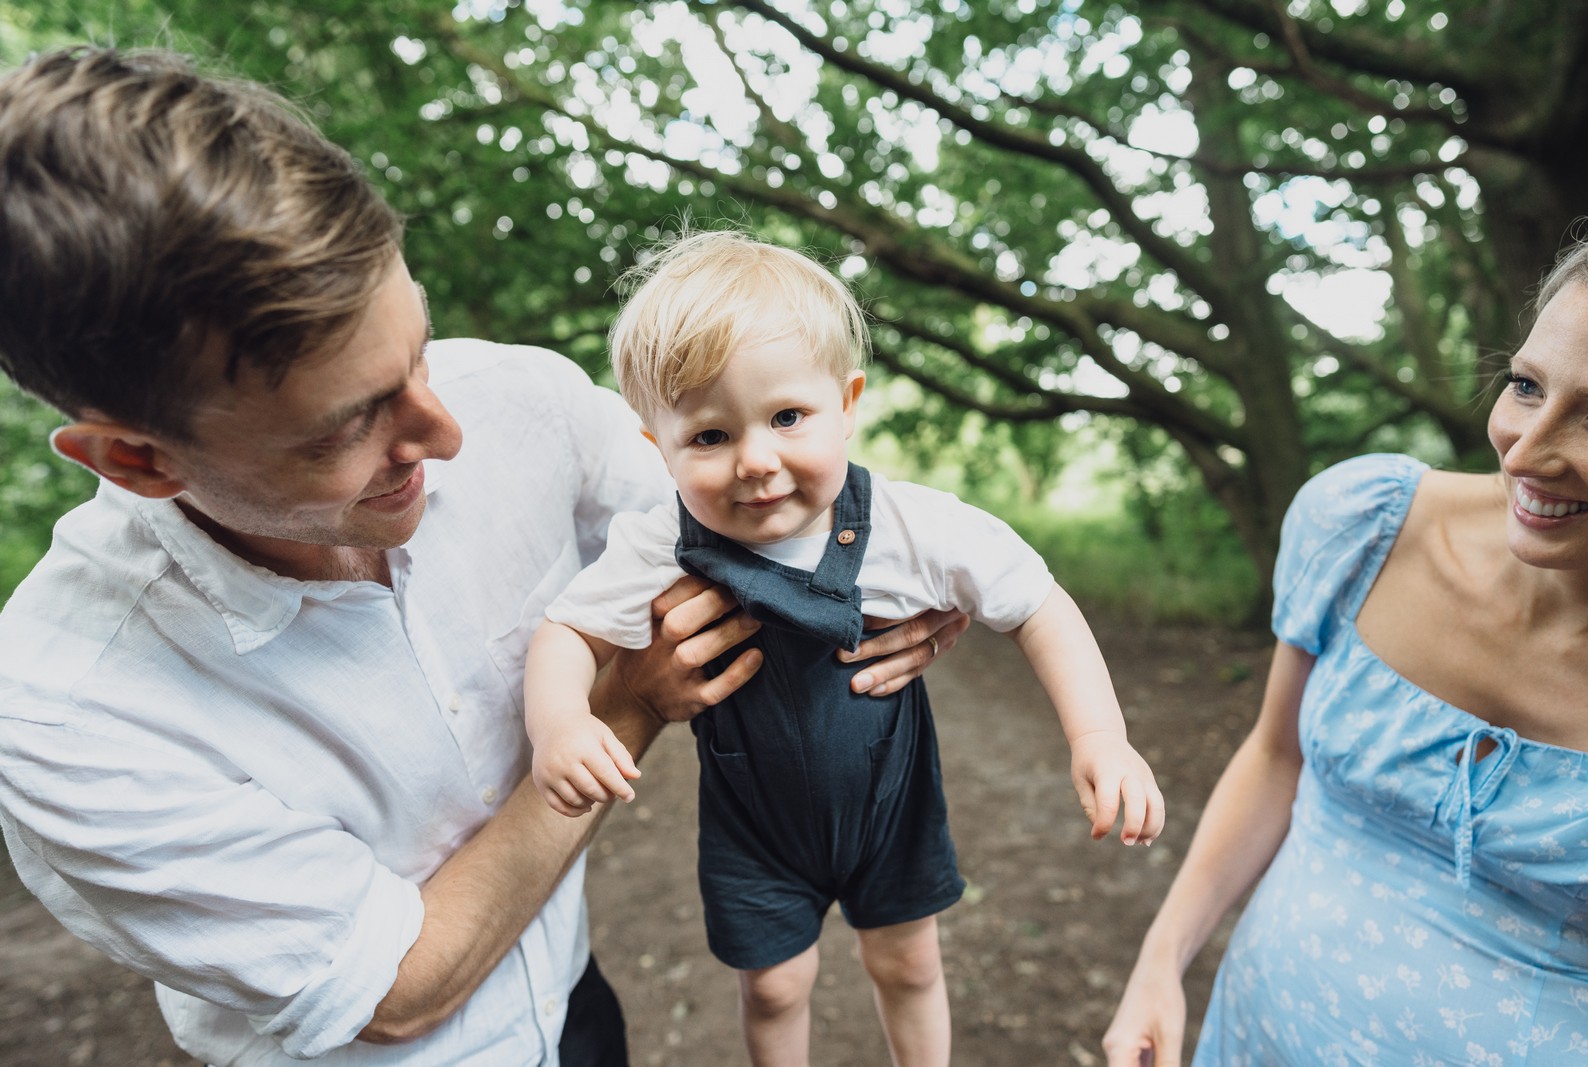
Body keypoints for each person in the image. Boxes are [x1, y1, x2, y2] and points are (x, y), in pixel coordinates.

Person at [0, 47, 964, 1066]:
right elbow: (403, 987)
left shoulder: (517, 401)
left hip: (576, 1003)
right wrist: (629, 703)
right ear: (138, 460)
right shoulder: (66, 709)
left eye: (416, 350)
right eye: (350, 423)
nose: (447, 432)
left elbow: (761, 525)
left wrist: (919, 586)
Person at [522, 230, 1166, 1067]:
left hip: (890, 812)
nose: (756, 460)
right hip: (755, 827)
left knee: (907, 960)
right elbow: (566, 630)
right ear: (658, 446)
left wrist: (1100, 737)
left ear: (848, 402)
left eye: (788, 417)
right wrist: (560, 722)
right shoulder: (660, 543)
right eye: (709, 437)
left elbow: (1036, 600)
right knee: (775, 985)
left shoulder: (907, 526)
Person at [1102, 227, 1588, 1067]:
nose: (1528, 447)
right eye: (1524, 386)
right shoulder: (1366, 525)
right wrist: (1161, 962)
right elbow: (1274, 755)